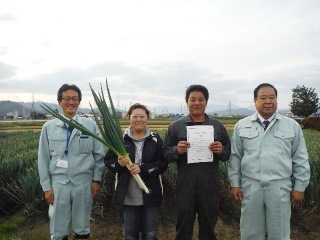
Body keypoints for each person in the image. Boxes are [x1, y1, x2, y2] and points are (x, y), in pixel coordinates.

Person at [228, 83, 310, 239]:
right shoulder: (242, 126)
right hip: (251, 186)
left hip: (279, 187)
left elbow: (300, 158)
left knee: (279, 232)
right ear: (255, 100)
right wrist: (235, 183)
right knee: (250, 232)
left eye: (272, 97)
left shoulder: (292, 126)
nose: (268, 101)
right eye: (263, 97)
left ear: (277, 101)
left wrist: (300, 186)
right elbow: (235, 156)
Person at [163, 84, 231, 240]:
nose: (196, 103)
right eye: (192, 99)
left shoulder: (217, 126)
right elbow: (165, 153)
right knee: (183, 224)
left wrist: (221, 150)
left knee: (208, 224)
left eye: (200, 99)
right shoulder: (176, 127)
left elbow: (227, 153)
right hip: (185, 183)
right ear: (187, 102)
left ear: (206, 102)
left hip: (210, 183)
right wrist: (177, 151)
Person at [38, 84, 105, 240]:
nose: (71, 102)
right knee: (58, 227)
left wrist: (96, 179)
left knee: (82, 227)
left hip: (83, 183)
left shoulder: (90, 125)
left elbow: (98, 155)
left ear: (79, 102)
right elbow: (43, 158)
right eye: (67, 98)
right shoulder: (49, 127)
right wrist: (46, 187)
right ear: (59, 101)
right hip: (58, 184)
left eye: (75, 99)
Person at [104, 103, 167, 240]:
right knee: (130, 234)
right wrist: (119, 164)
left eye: (142, 116)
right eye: (135, 116)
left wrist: (142, 168)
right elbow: (109, 161)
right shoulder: (120, 139)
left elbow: (162, 164)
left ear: (148, 118)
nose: (139, 120)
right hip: (128, 195)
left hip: (150, 192)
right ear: (129, 118)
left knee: (150, 234)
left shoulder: (155, 139)